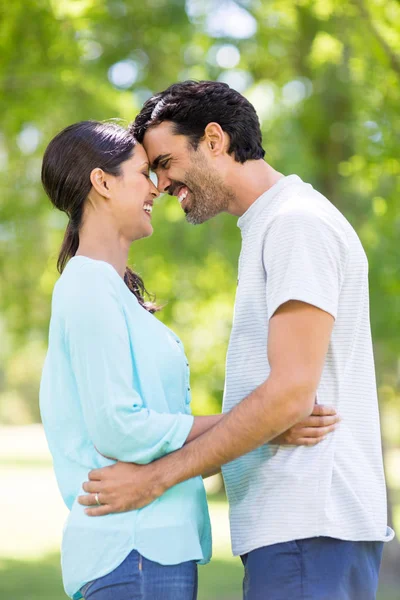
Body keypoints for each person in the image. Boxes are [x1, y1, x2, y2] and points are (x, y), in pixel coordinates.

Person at [78, 82, 394, 600]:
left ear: (215, 139)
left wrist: (154, 478)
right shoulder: (273, 224)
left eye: (165, 162)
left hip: (308, 528)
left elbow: (290, 396)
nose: (160, 184)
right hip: (298, 535)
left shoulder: (295, 224)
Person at [40, 119, 334, 600]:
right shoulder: (87, 286)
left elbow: (155, 431)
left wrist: (251, 431)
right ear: (102, 181)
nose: (157, 186)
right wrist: (260, 426)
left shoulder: (115, 294)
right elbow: (120, 428)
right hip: (130, 549)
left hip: (152, 550)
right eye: (143, 172)